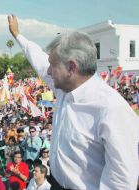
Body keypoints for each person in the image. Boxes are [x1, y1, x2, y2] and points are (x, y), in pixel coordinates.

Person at [8, 15, 139, 190]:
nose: (48, 70)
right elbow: (39, 62)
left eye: (53, 65)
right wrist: (18, 35)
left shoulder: (111, 109)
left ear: (71, 67)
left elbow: (121, 180)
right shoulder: (65, 89)